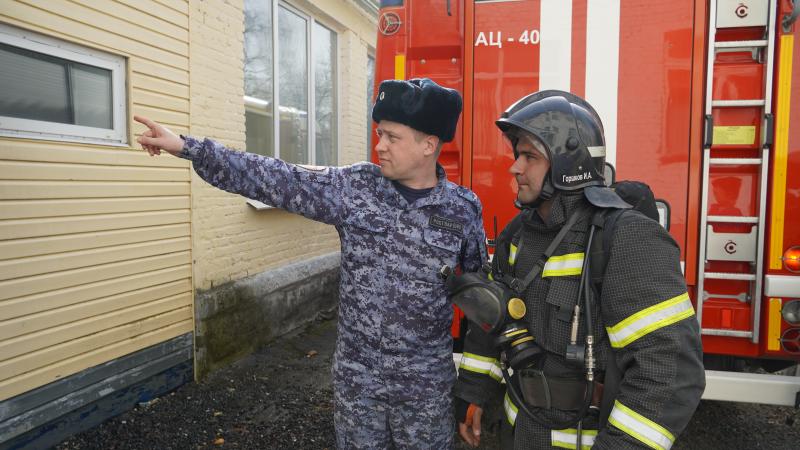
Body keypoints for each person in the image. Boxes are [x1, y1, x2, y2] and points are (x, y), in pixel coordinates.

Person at [135, 78, 487, 449]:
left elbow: (481, 302)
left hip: (425, 391)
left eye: (392, 137)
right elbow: (277, 177)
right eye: (379, 134)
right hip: (360, 386)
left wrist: (476, 391)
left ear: (429, 144)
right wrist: (189, 148)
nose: (379, 146)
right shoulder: (355, 189)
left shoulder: (461, 211)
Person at [453, 90, 704, 449]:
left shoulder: (626, 239)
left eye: (529, 156)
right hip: (518, 436)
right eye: (517, 154)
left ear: (567, 166)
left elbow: (668, 371)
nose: (515, 167)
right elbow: (491, 320)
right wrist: (474, 392)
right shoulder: (517, 235)